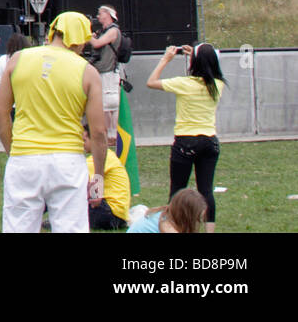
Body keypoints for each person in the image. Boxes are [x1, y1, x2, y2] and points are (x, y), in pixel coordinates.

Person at [0, 11, 108, 234]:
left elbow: (0, 112)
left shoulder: (17, 59)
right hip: (68, 161)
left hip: (24, 158)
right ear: (80, 39)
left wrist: (13, 150)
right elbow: (99, 132)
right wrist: (99, 176)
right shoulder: (88, 72)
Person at [147, 42, 225, 232]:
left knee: (177, 189)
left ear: (195, 62)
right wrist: (194, 56)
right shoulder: (218, 84)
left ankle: (173, 228)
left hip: (185, 141)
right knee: (206, 190)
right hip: (210, 142)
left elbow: (151, 81)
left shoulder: (184, 84)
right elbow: (208, 65)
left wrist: (166, 59)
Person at [88, 4, 123, 143]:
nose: (98, 16)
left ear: (108, 15)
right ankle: (108, 133)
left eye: (100, 13)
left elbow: (97, 44)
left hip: (109, 72)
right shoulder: (103, 31)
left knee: (110, 103)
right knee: (103, 102)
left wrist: (87, 34)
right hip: (102, 70)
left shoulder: (113, 31)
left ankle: (111, 134)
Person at [86, 137, 131, 230]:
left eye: (84, 140)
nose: (81, 144)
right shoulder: (109, 155)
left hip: (109, 213)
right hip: (119, 215)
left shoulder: (99, 159)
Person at [126, 188, 208, 234]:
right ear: (186, 215)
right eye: (196, 217)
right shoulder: (168, 227)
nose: (196, 221)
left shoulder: (166, 214)